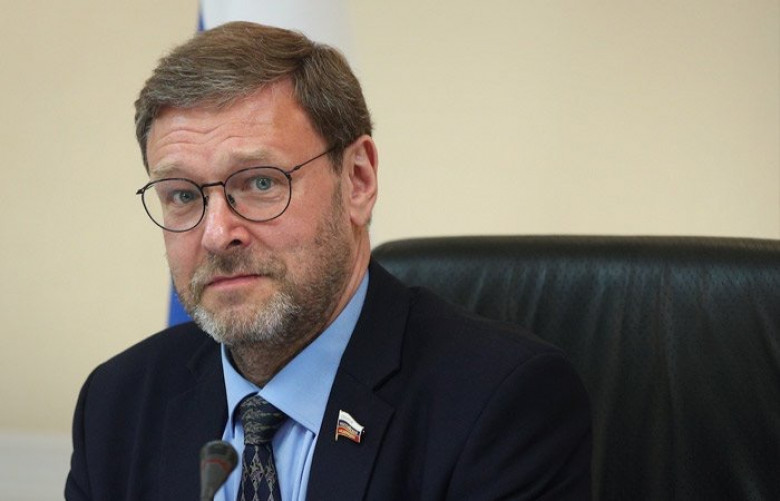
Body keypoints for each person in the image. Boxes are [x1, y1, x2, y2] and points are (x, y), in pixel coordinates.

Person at [65, 21, 592, 501]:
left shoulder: (499, 403)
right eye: (182, 195)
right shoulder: (117, 405)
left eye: (261, 183)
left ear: (357, 180)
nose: (218, 235)